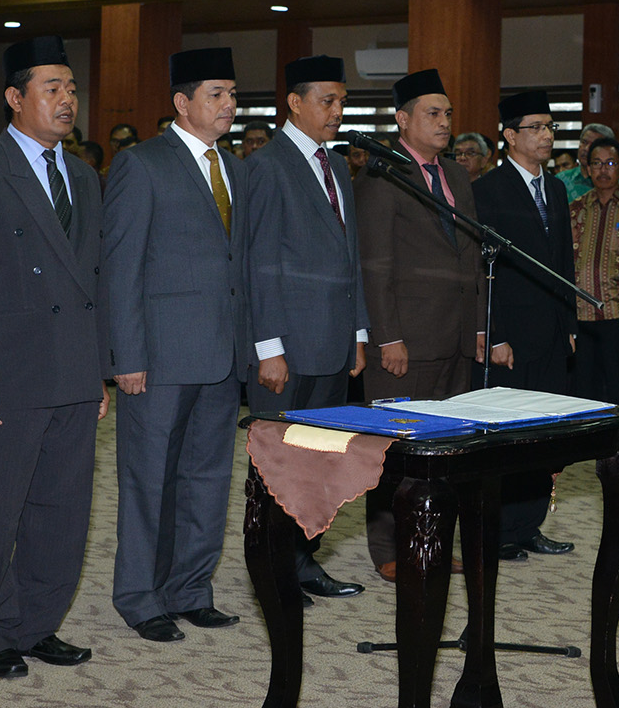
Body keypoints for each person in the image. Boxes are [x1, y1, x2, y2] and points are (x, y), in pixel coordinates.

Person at [0, 36, 109, 680]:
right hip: (8, 373)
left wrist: (97, 372)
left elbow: (95, 280)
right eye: (51, 88)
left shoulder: (84, 176)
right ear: (15, 97)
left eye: (72, 89)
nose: (67, 100)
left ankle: (36, 624)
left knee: (61, 512)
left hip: (73, 371)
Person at [100, 47, 252, 643]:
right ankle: (140, 597)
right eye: (216, 94)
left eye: (232, 94)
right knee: (149, 480)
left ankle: (190, 589)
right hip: (160, 357)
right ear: (182, 103)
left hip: (222, 354)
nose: (228, 104)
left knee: (208, 479)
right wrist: (127, 356)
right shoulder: (142, 164)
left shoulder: (234, 167)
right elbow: (121, 269)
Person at [243, 54, 370, 604]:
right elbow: (260, 263)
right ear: (295, 103)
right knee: (279, 464)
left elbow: (351, 255)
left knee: (320, 460)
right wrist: (268, 347)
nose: (337, 111)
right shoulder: (266, 165)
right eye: (327, 101)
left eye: (342, 101)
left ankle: (303, 560)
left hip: (334, 341)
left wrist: (358, 332)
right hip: (288, 347)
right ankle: (273, 569)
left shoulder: (337, 164)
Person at [356, 68, 489, 580]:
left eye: (448, 113)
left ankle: (433, 542)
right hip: (405, 338)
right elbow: (375, 265)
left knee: (446, 449)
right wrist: (387, 335)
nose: (444, 122)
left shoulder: (456, 174)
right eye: (432, 113)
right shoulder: (381, 175)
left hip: (454, 335)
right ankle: (389, 549)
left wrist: (477, 326)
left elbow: (470, 255)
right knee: (395, 449)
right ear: (402, 119)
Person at [473, 90, 578, 559]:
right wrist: (494, 334)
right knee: (509, 435)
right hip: (511, 335)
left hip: (553, 330)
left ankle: (530, 524)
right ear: (510, 136)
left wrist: (570, 322)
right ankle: (499, 531)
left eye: (550, 126)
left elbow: (564, 261)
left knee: (543, 434)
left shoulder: (556, 188)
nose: (546, 135)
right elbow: (482, 271)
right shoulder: (487, 190)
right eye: (535, 127)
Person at [569, 137, 619, 411]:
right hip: (580, 314)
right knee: (583, 389)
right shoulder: (575, 209)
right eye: (597, 164)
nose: (603, 170)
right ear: (588, 168)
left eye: (611, 164)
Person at [556, 122, 614, 201]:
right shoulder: (561, 180)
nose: (586, 149)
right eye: (584, 142)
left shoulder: (617, 186)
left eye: (593, 145)